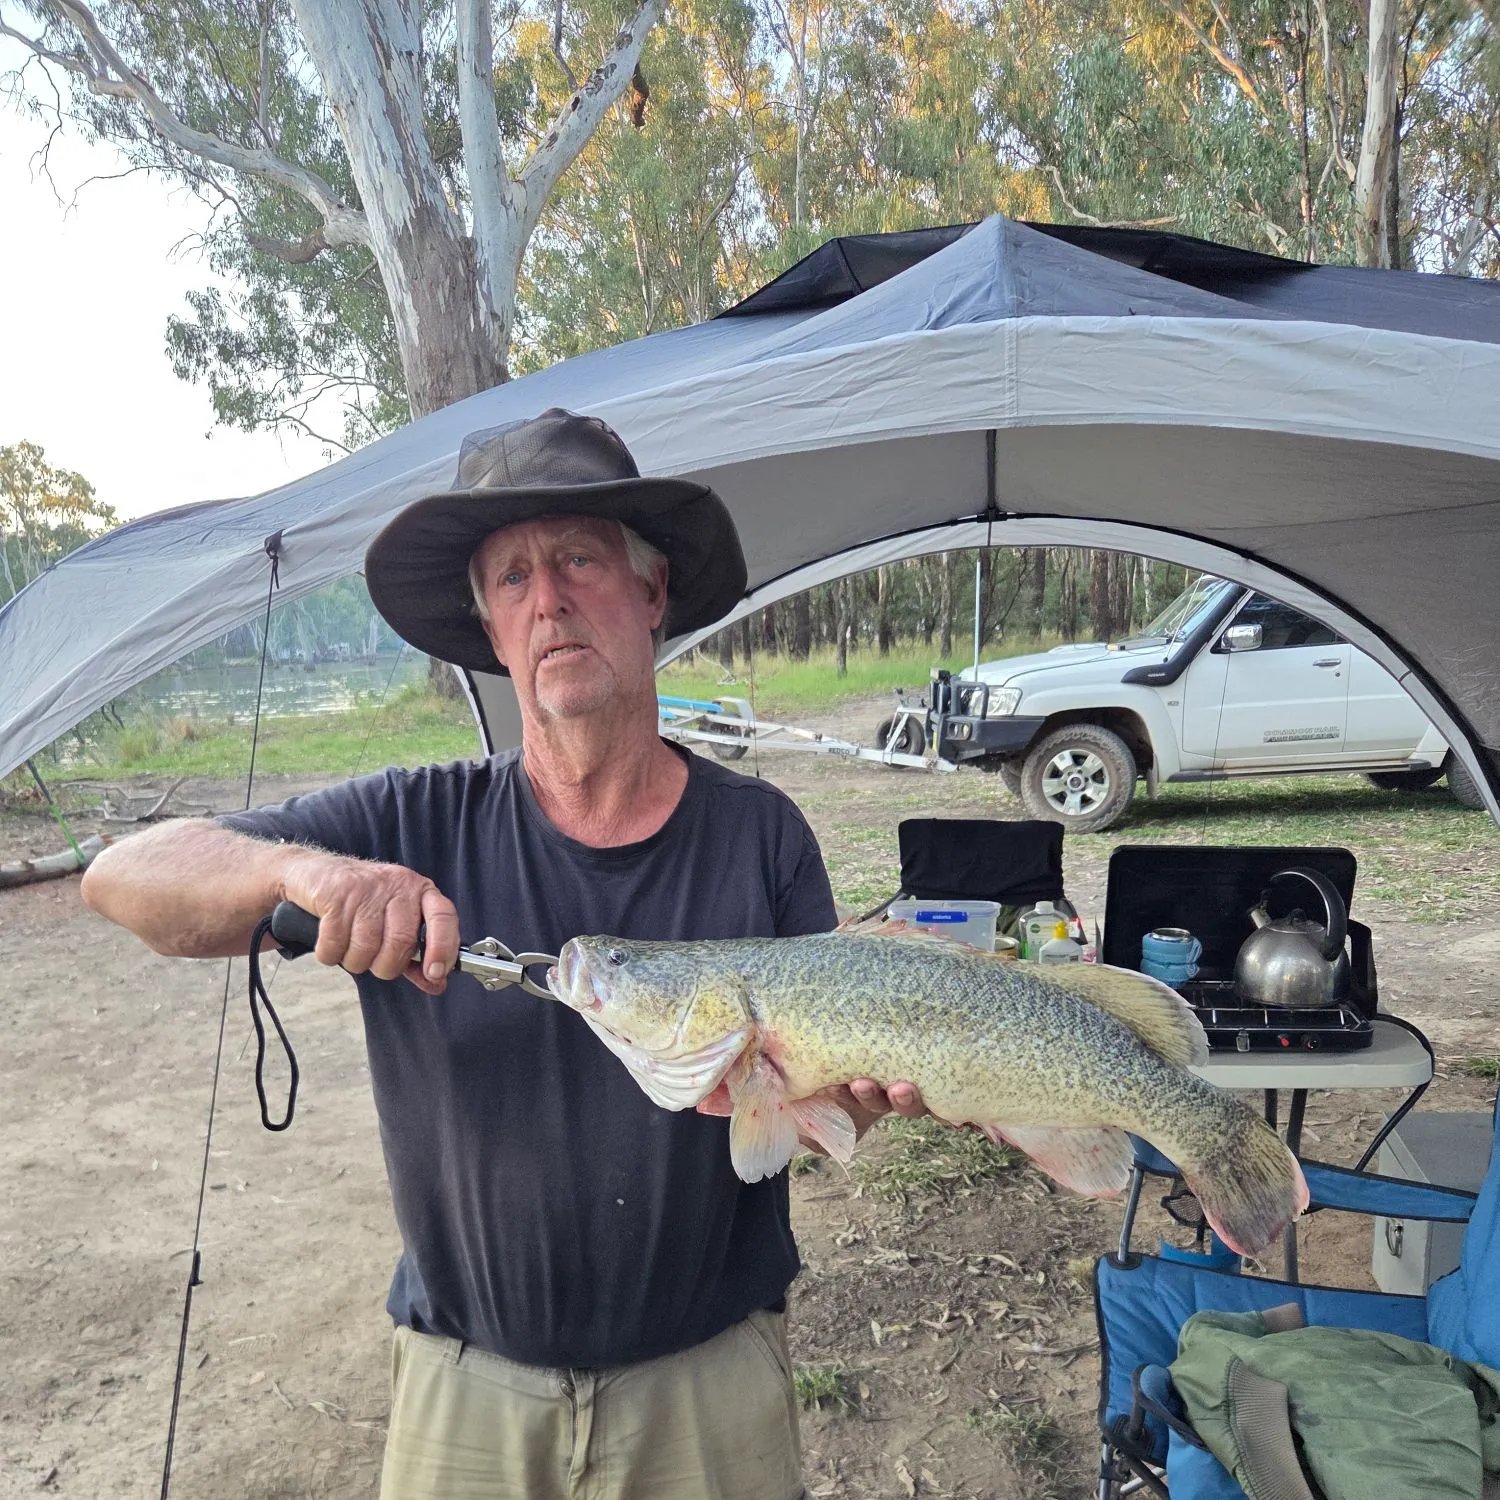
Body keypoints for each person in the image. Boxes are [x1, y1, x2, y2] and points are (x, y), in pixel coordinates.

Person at [81, 409, 925, 1500]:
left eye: (579, 558)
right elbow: (127, 878)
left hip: (710, 1386)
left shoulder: (760, 834)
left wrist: (848, 1102)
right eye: (513, 576)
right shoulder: (409, 821)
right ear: (487, 625)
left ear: (652, 591)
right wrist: (313, 878)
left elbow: (814, 1106)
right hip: (464, 1389)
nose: (550, 600)